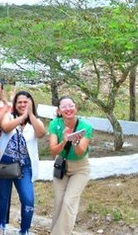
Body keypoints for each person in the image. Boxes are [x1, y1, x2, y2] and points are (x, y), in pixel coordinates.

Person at [0, 91, 46, 235]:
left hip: (25, 167)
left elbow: (41, 133)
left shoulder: (35, 121)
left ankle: (24, 230)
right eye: (20, 102)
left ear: (31, 103)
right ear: (15, 104)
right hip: (5, 165)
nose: (23, 104)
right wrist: (22, 117)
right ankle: (1, 227)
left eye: (26, 102)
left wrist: (29, 116)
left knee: (28, 199)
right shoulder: (9, 116)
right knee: (3, 198)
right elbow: (5, 128)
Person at [48, 96, 92, 235]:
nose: (68, 109)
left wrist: (75, 142)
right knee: (59, 202)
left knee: (68, 203)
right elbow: (53, 151)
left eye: (71, 105)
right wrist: (64, 141)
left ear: (75, 107)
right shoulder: (55, 124)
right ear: (59, 111)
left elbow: (80, 153)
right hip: (61, 166)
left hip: (80, 168)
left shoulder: (85, 127)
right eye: (64, 106)